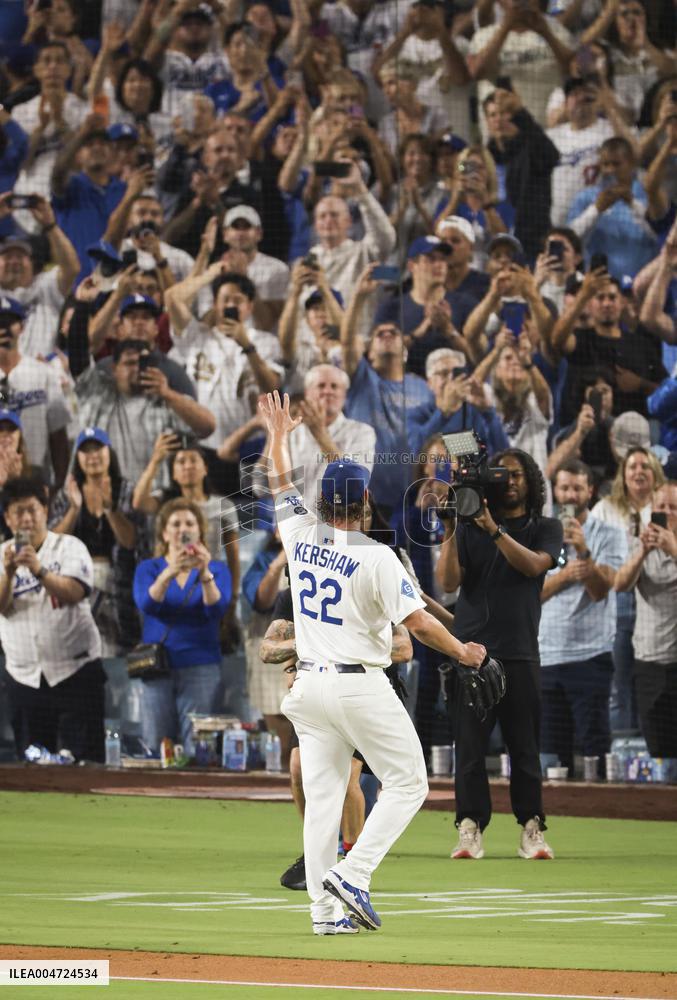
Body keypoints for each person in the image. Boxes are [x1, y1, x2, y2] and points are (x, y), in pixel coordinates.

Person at [259, 390, 485, 934]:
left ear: (323, 502)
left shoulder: (299, 534)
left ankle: (322, 915)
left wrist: (277, 436)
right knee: (410, 783)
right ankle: (354, 873)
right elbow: (421, 625)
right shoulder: (377, 555)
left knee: (322, 802)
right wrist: (465, 652)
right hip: (358, 686)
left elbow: (278, 485)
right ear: (364, 502)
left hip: (307, 691)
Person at [436, 448, 563, 861]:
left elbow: (534, 566)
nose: (509, 481)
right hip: (471, 653)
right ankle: (469, 827)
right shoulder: (469, 530)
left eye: (517, 474)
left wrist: (492, 528)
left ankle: (532, 827)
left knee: (524, 749)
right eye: (501, 474)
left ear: (531, 481)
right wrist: (454, 526)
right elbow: (449, 581)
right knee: (469, 749)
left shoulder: (545, 527)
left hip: (521, 653)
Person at [0, 475, 105, 761]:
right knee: (32, 766)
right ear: (7, 519)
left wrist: (39, 570)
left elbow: (75, 592)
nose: (26, 518)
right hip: (25, 677)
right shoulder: (1, 556)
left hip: (76, 672)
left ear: (45, 511)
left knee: (85, 762)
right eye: (18, 511)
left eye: (32, 509)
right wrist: (8, 573)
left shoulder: (69, 547)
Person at [539, 460, 627, 778]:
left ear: (590, 490)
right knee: (550, 754)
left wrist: (584, 551)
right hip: (546, 655)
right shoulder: (540, 533)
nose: (571, 495)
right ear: (555, 492)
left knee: (595, 747)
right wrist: (563, 577)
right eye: (565, 488)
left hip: (590, 655)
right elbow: (529, 596)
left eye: (578, 488)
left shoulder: (610, 534)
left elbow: (603, 590)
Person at [132, 497, 231, 757]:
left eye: (189, 523)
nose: (182, 529)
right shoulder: (149, 568)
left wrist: (204, 572)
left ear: (199, 531)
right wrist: (169, 572)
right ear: (164, 533)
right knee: (156, 743)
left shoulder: (216, 569)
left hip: (201, 666)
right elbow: (147, 604)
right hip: (157, 668)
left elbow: (217, 609)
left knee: (198, 746)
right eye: (175, 524)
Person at [590, 446, 665, 732]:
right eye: (632, 466)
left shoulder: (664, 507)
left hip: (656, 602)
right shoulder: (605, 509)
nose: (638, 471)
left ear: (654, 472)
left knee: (649, 682)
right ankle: (621, 748)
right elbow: (590, 546)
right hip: (616, 603)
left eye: (645, 466)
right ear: (623, 474)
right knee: (619, 683)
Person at [614, 481, 677, 759]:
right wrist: (643, 551)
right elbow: (620, 584)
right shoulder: (640, 543)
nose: (666, 512)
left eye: (673, 507)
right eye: (661, 507)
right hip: (648, 662)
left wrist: (673, 548)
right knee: (658, 751)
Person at [0, 295, 70, 487]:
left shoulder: (42, 373)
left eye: (8, 322)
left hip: (36, 475)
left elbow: (58, 435)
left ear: (22, 327)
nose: (3, 329)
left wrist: (61, 484)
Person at [0, 194, 80, 358]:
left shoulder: (45, 286)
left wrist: (50, 225)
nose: (14, 262)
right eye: (8, 256)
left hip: (42, 375)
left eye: (21, 256)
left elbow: (72, 267)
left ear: (32, 263)